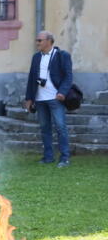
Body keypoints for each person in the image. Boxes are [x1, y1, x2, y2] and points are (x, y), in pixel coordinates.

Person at [24, 31, 73, 167]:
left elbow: (68, 76)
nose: (37, 43)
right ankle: (48, 157)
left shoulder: (62, 56)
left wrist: (62, 92)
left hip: (55, 98)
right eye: (37, 40)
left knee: (61, 128)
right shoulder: (36, 57)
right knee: (44, 128)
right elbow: (31, 79)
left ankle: (64, 158)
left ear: (49, 41)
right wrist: (29, 98)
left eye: (40, 40)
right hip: (39, 99)